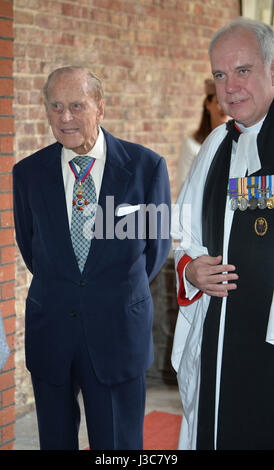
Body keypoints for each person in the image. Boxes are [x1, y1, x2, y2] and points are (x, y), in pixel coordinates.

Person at [13, 66, 171, 450]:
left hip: (118, 333)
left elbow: (156, 249)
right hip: (52, 331)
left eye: (77, 106)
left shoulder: (145, 168)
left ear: (100, 108)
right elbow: (31, 247)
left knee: (117, 446)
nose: (65, 117)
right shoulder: (28, 173)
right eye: (56, 106)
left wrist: (111, 290)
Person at [171, 17, 274, 450]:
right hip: (217, 337)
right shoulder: (216, 145)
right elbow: (183, 232)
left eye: (243, 71)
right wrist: (191, 269)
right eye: (219, 75)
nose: (230, 87)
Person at [176, 79, 229, 194]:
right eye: (219, 101)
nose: (225, 108)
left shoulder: (239, 141)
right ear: (208, 104)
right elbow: (183, 189)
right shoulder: (191, 144)